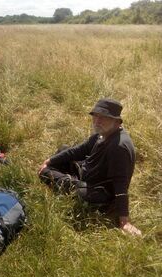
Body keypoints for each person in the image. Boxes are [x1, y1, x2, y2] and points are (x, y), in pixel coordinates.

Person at [38, 98, 142, 236]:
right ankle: (60, 174)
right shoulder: (103, 134)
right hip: (88, 171)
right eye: (96, 116)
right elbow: (78, 150)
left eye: (104, 117)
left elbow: (121, 185)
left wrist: (124, 221)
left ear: (117, 121)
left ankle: (63, 178)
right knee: (62, 151)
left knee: (45, 173)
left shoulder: (119, 147)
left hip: (98, 190)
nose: (97, 121)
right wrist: (49, 160)